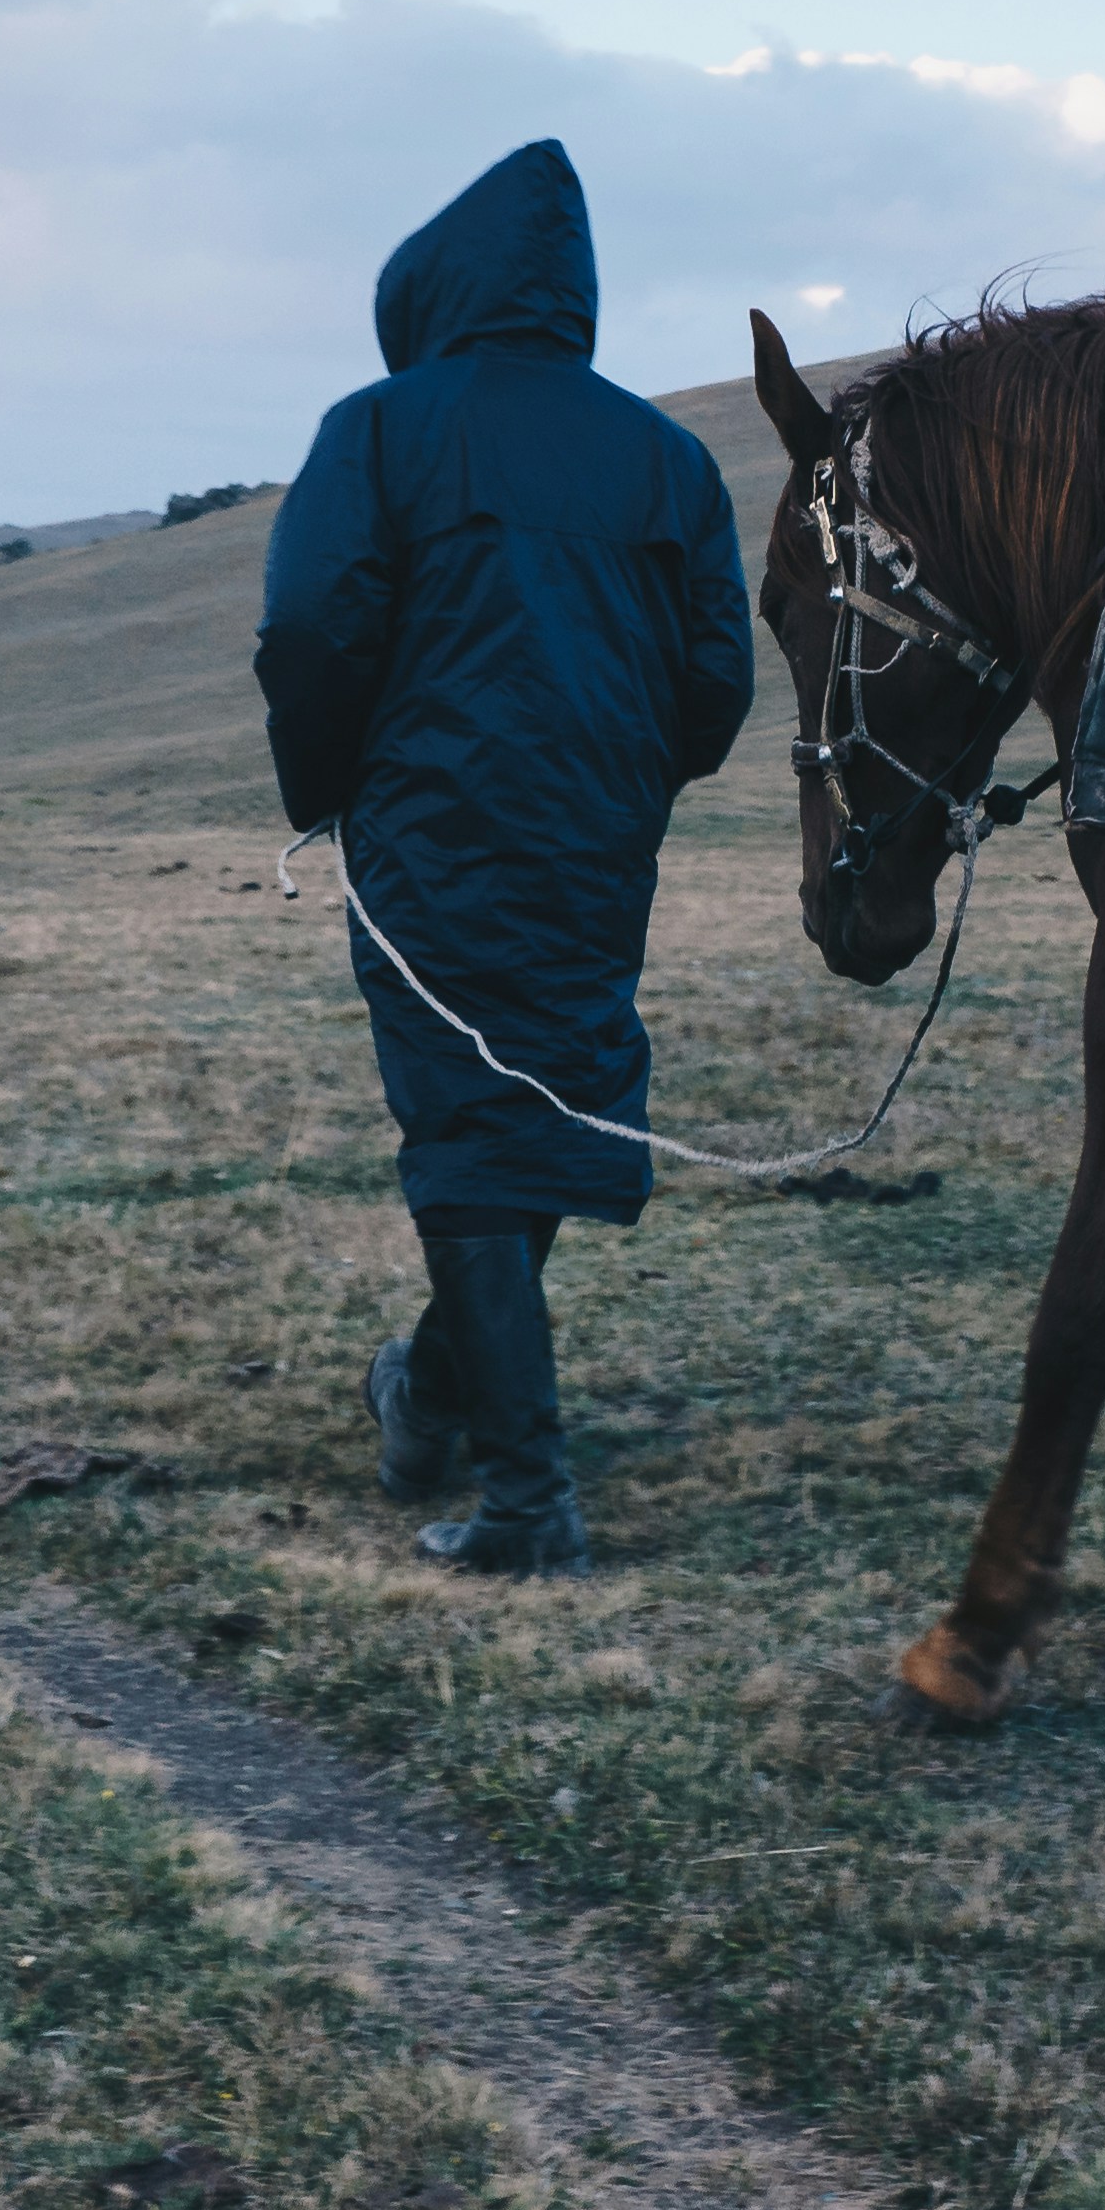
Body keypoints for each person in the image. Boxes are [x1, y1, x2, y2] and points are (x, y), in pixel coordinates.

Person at [254, 139, 752, 1577]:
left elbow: (309, 627)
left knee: (476, 1124)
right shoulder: (667, 457)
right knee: (534, 1097)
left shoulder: (381, 430)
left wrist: (332, 786)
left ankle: (529, 1498)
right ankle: (434, 1388)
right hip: (597, 843)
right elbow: (716, 673)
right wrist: (630, 777)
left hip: (433, 827)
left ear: (433, 292)